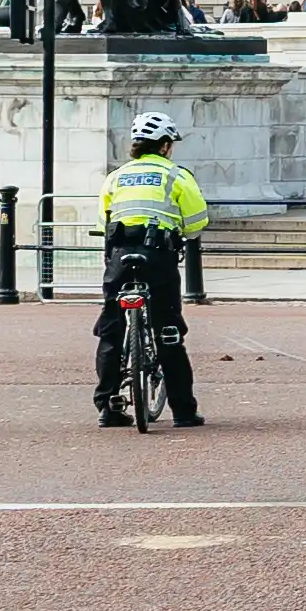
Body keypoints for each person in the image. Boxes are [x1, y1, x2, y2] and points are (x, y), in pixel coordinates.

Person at [93, 110, 207, 428]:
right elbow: (197, 221)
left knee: (111, 329)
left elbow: (103, 221)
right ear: (165, 145)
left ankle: (108, 407)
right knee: (168, 331)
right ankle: (183, 411)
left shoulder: (116, 177)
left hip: (119, 258)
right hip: (158, 257)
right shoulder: (176, 176)